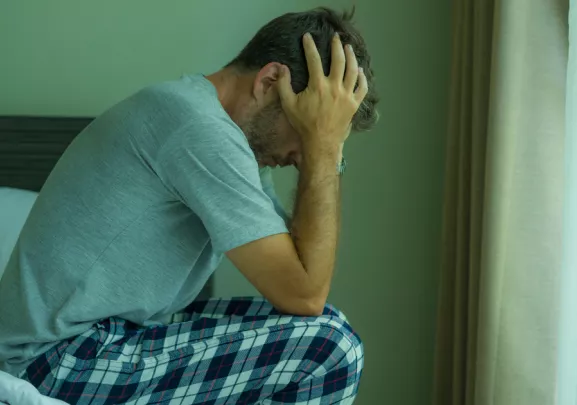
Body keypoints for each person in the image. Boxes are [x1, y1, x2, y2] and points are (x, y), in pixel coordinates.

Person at [0, 7, 379, 405]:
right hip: (52, 359)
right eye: (305, 130)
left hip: (110, 339)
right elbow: (303, 292)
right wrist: (323, 148)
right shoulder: (196, 128)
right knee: (331, 349)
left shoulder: (217, 133)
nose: (301, 156)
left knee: (326, 326)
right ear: (270, 82)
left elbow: (303, 280)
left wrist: (324, 146)